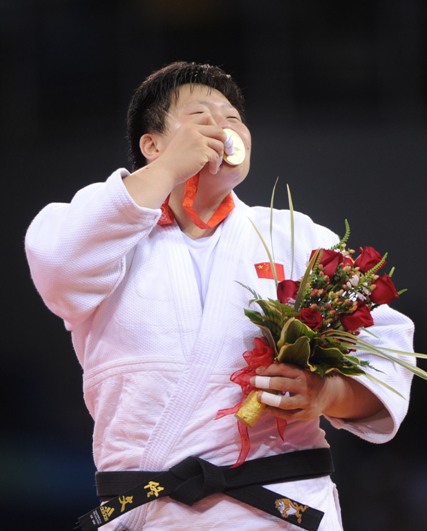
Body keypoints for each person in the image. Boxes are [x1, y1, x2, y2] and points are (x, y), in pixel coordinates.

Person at [25, 61, 415, 530]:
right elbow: (58, 264)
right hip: (150, 511)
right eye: (202, 117)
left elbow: (387, 351)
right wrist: (169, 170)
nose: (224, 127)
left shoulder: (295, 236)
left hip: (279, 509)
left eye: (233, 118)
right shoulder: (103, 231)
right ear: (152, 145)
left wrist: (325, 393)